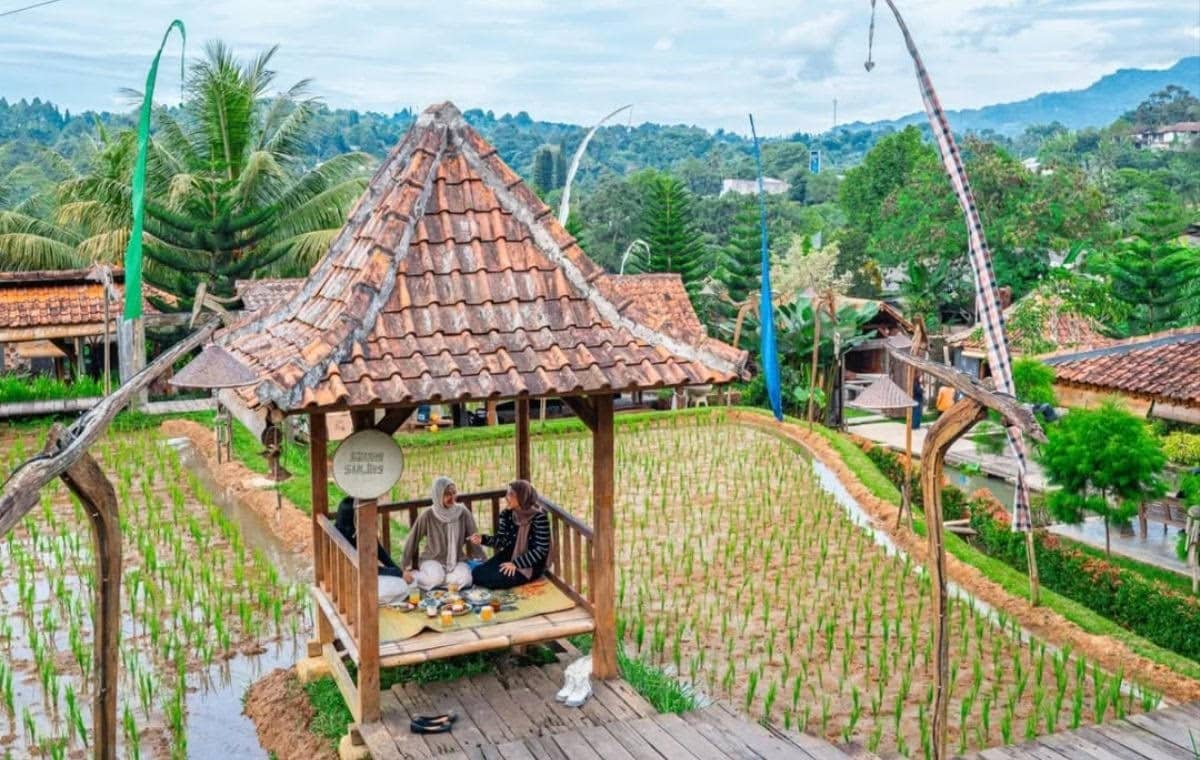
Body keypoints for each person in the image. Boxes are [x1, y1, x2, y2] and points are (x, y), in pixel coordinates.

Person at [401, 476, 484, 590]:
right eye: (447, 494)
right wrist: (404, 568)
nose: (452, 497)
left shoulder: (462, 512)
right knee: (436, 577)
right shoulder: (428, 514)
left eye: (454, 493)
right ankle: (421, 577)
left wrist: (483, 561)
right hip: (432, 559)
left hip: (457, 559)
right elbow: (412, 540)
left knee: (467, 579)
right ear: (438, 495)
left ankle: (437, 583)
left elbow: (474, 538)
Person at [470, 479, 551, 589]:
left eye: (511, 494)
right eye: (507, 493)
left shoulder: (539, 518)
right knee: (477, 573)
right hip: (509, 555)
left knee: (493, 580)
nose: (506, 497)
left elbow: (540, 550)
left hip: (530, 564)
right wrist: (483, 539)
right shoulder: (507, 514)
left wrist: (516, 564)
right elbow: (502, 540)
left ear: (522, 497)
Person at [333, 496, 404, 578]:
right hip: (350, 579)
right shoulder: (343, 540)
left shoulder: (359, 530)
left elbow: (378, 550)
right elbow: (365, 568)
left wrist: (398, 570)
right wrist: (398, 573)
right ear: (356, 519)